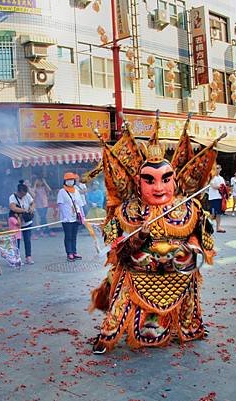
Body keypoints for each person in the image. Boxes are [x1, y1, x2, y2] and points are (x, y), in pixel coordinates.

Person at [89, 120, 217, 354]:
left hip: (178, 271)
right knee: (122, 291)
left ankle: (191, 328)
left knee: (189, 294)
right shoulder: (127, 210)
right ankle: (108, 336)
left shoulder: (190, 207)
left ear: (175, 179)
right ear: (138, 183)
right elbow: (114, 245)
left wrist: (191, 249)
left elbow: (202, 237)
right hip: (138, 271)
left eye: (165, 179)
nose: (159, 187)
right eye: (150, 180)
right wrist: (137, 239)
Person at [57, 172, 85, 262]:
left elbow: (80, 204)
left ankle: (74, 251)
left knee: (74, 236)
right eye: (68, 180)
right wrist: (65, 216)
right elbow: (60, 205)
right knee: (68, 236)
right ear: (65, 181)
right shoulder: (62, 192)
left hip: (76, 217)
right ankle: (69, 253)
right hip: (67, 219)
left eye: (72, 180)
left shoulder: (76, 191)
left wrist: (83, 216)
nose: (70, 181)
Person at [9, 180, 35, 265]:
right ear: (19, 192)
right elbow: (13, 208)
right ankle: (16, 258)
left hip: (27, 222)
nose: (24, 196)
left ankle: (28, 257)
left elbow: (32, 203)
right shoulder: (12, 197)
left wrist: (31, 208)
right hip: (17, 223)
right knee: (17, 241)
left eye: (25, 194)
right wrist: (24, 210)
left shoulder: (27, 195)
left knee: (27, 240)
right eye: (22, 194)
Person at [208, 165, 226, 233]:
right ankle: (207, 226)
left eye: (218, 168)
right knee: (212, 214)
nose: (217, 170)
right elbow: (213, 186)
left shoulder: (221, 178)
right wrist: (221, 187)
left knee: (219, 213)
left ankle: (218, 227)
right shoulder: (212, 177)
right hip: (213, 198)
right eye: (215, 168)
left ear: (220, 169)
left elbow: (224, 187)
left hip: (220, 197)